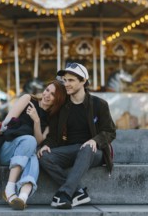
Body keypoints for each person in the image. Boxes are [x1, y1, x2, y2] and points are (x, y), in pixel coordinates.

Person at [0, 80, 66, 210]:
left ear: (58, 100)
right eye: (47, 90)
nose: (47, 95)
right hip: (5, 148)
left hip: (23, 154)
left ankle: (22, 197)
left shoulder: (50, 120)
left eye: (53, 94)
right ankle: (9, 188)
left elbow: (39, 141)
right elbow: (7, 123)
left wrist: (36, 120)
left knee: (33, 157)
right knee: (29, 142)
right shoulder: (28, 99)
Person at [37, 62, 116, 209]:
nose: (66, 84)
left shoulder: (99, 104)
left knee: (86, 148)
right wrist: (47, 145)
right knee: (44, 156)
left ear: (83, 81)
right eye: (65, 80)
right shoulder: (62, 106)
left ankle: (65, 194)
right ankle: (79, 192)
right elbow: (54, 135)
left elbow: (110, 131)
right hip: (70, 150)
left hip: (94, 152)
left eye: (71, 80)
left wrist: (95, 140)